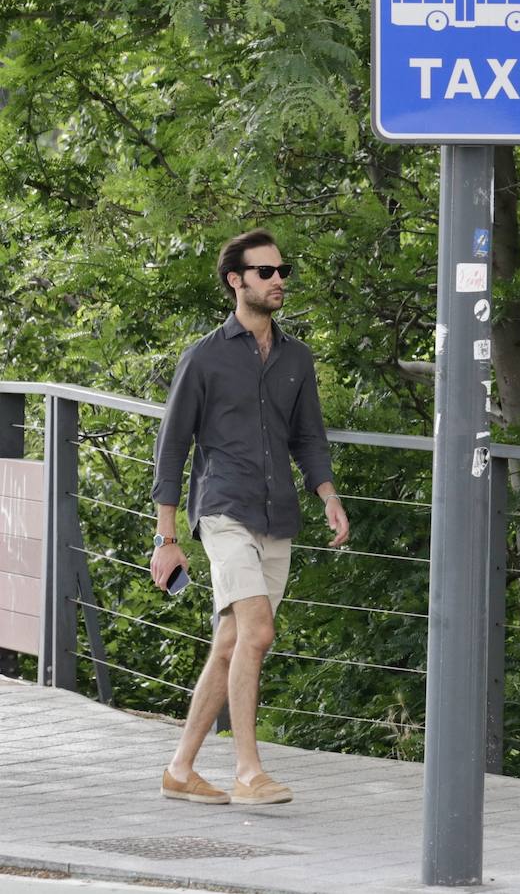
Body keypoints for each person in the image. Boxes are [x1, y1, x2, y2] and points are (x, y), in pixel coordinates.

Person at [149, 228, 349, 806]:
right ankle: (247, 771)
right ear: (237, 281)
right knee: (258, 632)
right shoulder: (205, 358)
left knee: (233, 641)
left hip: (277, 514)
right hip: (223, 509)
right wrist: (166, 538)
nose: (279, 279)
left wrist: (328, 496)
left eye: (282, 270)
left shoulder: (297, 358)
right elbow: (171, 449)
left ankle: (181, 768)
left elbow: (308, 438)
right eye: (266, 272)